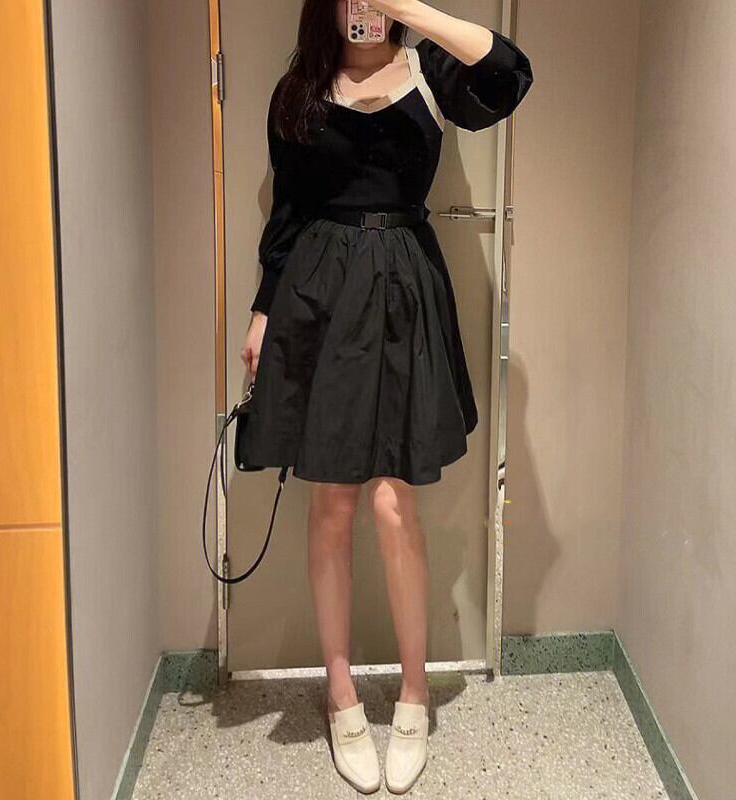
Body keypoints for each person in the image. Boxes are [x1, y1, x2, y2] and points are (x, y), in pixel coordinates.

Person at [239, 0, 533, 793]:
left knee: (393, 501)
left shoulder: (430, 72)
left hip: (405, 286)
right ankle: (339, 695)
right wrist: (263, 314)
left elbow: (509, 75)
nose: (361, 9)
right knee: (332, 499)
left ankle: (413, 692)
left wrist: (410, 10)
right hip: (319, 296)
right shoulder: (300, 89)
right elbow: (287, 215)